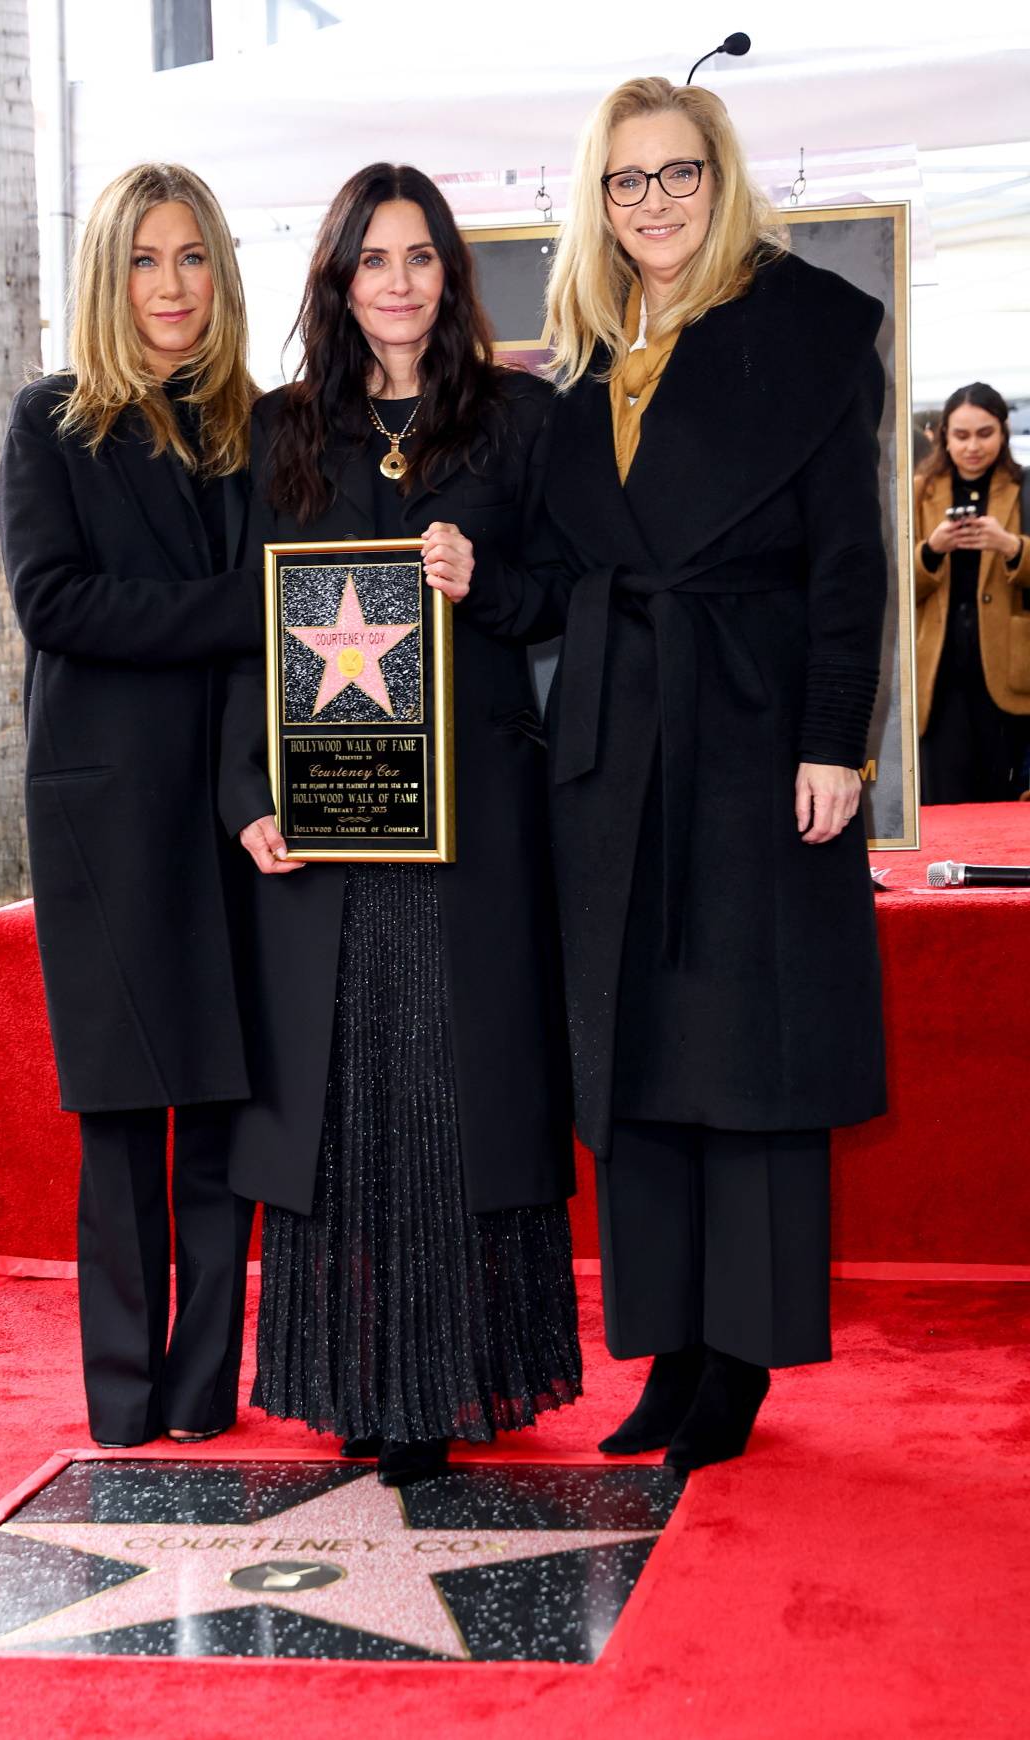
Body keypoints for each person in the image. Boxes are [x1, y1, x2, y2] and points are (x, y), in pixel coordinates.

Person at [542, 77, 887, 1473]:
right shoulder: (585, 357)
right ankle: (670, 1348)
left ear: (720, 175)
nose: (654, 202)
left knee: (749, 1051)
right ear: (600, 199)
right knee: (639, 1057)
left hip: (752, 737)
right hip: (621, 744)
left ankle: (739, 1359)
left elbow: (849, 562)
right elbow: (568, 567)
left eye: (678, 174)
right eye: (627, 182)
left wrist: (831, 740)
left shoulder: (804, 331)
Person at [221, 163, 580, 1487]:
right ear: (337, 277)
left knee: (450, 1095)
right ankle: (352, 1377)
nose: (400, 281)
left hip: (475, 829)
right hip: (327, 843)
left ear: (452, 274)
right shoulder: (279, 433)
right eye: (374, 258)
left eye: (422, 256)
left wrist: (485, 582)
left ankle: (449, 1379)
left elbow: (566, 601)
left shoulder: (519, 424)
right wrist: (246, 798)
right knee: (346, 1106)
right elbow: (240, 646)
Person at [0, 163, 262, 1450]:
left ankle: (204, 1392)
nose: (172, 285)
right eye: (147, 260)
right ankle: (120, 1399)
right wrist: (239, 608)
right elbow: (56, 603)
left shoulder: (252, 429)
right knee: (120, 1119)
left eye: (193, 258)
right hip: (104, 815)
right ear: (110, 276)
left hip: (232, 807)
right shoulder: (51, 421)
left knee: (220, 1110)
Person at [915, 382, 1030, 802]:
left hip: (1009, 672)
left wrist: (1013, 548)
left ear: (1003, 431)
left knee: (1003, 798)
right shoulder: (918, 491)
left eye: (985, 433)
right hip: (938, 672)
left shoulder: (1024, 487)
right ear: (943, 434)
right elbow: (890, 583)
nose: (973, 447)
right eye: (961, 435)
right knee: (943, 800)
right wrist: (930, 551)